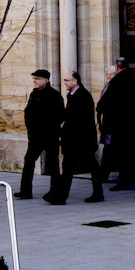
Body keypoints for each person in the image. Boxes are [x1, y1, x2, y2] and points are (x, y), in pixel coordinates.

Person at [46, 71, 104, 205]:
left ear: (75, 81)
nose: (65, 82)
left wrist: (64, 134)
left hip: (82, 138)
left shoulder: (83, 96)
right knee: (69, 167)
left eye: (67, 80)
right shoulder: (72, 95)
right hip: (74, 138)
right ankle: (60, 196)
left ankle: (96, 193)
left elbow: (79, 121)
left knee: (89, 166)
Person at [14, 69, 64, 200]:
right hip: (35, 136)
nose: (34, 81)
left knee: (53, 163)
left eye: (37, 78)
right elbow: (28, 112)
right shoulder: (34, 94)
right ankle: (25, 190)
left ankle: (55, 191)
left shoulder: (54, 95)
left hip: (49, 135)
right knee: (29, 161)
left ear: (45, 80)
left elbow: (60, 116)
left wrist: (48, 127)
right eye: (34, 78)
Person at [96, 57, 135, 190]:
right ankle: (126, 178)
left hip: (116, 124)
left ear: (117, 67)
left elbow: (105, 102)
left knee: (116, 152)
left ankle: (119, 180)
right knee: (127, 153)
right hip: (130, 123)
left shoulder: (117, 80)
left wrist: (99, 108)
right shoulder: (133, 78)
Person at [96, 65, 116, 181]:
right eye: (107, 74)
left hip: (111, 123)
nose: (108, 76)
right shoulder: (107, 86)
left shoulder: (113, 87)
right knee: (108, 148)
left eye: (111, 74)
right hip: (106, 122)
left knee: (108, 148)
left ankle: (104, 173)